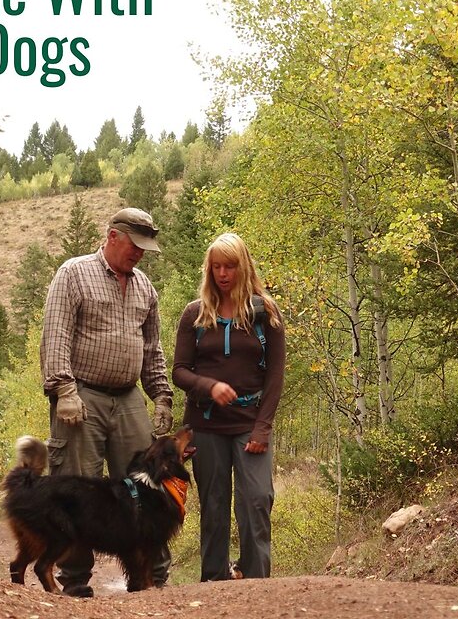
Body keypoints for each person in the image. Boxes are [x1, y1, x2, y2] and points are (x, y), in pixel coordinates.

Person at [39, 207, 174, 597]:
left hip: (129, 395)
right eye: (135, 245)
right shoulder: (73, 273)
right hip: (82, 394)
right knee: (77, 488)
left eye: (146, 248)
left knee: (150, 488)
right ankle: (76, 581)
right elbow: (55, 335)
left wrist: (161, 395)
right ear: (113, 236)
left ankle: (152, 578)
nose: (140, 254)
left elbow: (152, 349)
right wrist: (63, 389)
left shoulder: (146, 287)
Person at [172, 232, 285, 581]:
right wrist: (210, 386)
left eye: (230, 266)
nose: (222, 274)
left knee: (256, 500)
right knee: (215, 506)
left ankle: (255, 579)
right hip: (205, 427)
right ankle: (213, 580)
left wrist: (262, 427)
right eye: (216, 266)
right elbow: (179, 372)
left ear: (243, 267)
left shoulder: (265, 313)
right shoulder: (194, 313)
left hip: (250, 424)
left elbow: (275, 375)